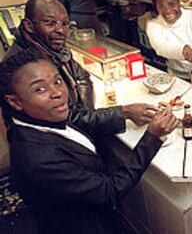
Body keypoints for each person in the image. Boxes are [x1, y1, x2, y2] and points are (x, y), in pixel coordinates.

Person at [0, 50, 179, 234]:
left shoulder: (38, 117)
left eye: (57, 81)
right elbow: (110, 191)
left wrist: (125, 112)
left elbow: (77, 119)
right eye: (39, 89)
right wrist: (152, 137)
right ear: (15, 102)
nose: (58, 93)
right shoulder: (39, 160)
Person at [4, 0, 94, 110]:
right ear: (29, 26)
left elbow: (81, 75)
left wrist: (87, 111)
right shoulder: (19, 63)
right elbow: (53, 112)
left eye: (65, 23)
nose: (60, 30)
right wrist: (89, 119)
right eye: (50, 23)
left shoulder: (52, 46)